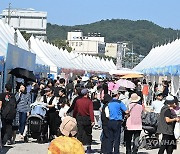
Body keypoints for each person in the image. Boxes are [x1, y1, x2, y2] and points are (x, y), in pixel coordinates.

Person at [105, 90, 129, 154]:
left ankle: (109, 151)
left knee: (110, 138)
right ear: (117, 95)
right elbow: (126, 111)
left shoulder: (109, 103)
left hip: (110, 121)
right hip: (117, 121)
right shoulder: (119, 102)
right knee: (116, 138)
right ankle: (116, 151)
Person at [73, 88, 95, 153]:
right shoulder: (89, 101)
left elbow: (75, 110)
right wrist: (92, 120)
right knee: (88, 133)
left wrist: (74, 117)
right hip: (87, 118)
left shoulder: (78, 101)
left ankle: (79, 148)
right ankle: (88, 148)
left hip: (80, 118)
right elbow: (91, 111)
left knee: (80, 133)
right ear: (87, 94)